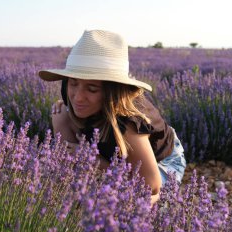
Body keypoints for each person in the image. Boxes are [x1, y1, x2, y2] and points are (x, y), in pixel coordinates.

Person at [38, 30, 186, 201]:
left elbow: (151, 185)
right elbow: (67, 105)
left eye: (92, 89)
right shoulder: (72, 95)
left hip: (161, 162)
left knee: (137, 200)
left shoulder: (129, 122)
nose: (78, 97)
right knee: (60, 114)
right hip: (111, 146)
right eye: (73, 83)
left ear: (112, 92)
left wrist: (96, 162)